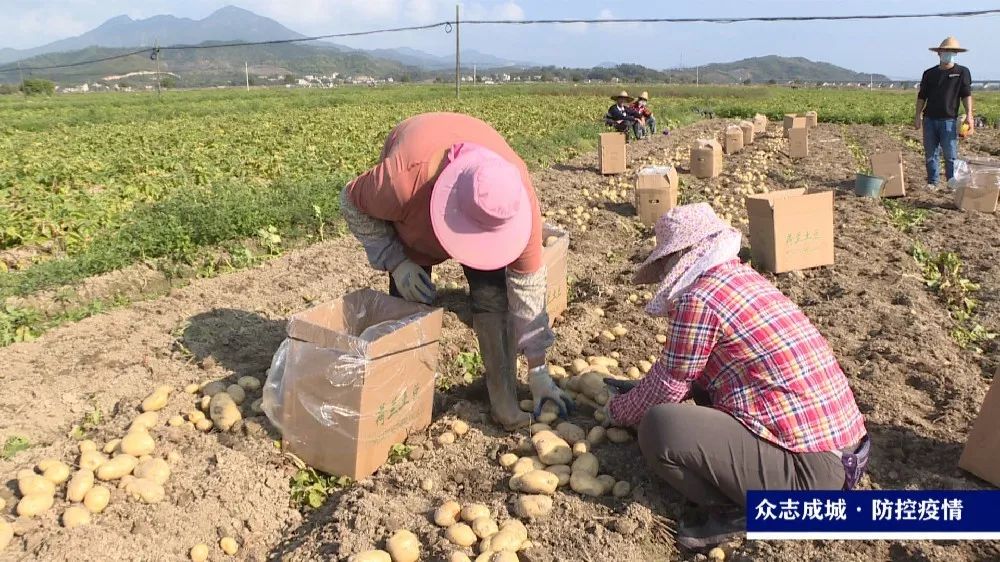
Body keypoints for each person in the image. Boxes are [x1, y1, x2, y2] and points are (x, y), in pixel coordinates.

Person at [600, 204, 869, 550]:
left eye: (666, 260)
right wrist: (641, 391)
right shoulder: (741, 279)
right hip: (841, 454)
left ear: (682, 256)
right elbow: (685, 371)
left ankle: (739, 512)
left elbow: (669, 383)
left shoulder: (700, 299)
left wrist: (617, 412)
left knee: (659, 428)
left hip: (810, 477)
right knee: (690, 392)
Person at [341, 112, 572, 430]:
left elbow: (529, 287)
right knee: (409, 304)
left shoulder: (516, 199)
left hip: (473, 190)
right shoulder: (399, 182)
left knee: (492, 295)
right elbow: (351, 202)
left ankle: (503, 400)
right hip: (417, 206)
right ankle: (402, 401)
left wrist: (538, 369)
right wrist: (396, 262)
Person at [915, 36, 974, 190]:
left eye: (952, 51)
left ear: (956, 54)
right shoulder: (929, 74)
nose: (948, 54)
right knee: (930, 153)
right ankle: (933, 182)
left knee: (950, 154)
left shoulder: (962, 72)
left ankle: (951, 182)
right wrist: (917, 116)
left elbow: (966, 95)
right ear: (939, 53)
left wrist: (969, 115)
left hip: (949, 119)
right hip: (929, 119)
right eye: (945, 51)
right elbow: (922, 96)